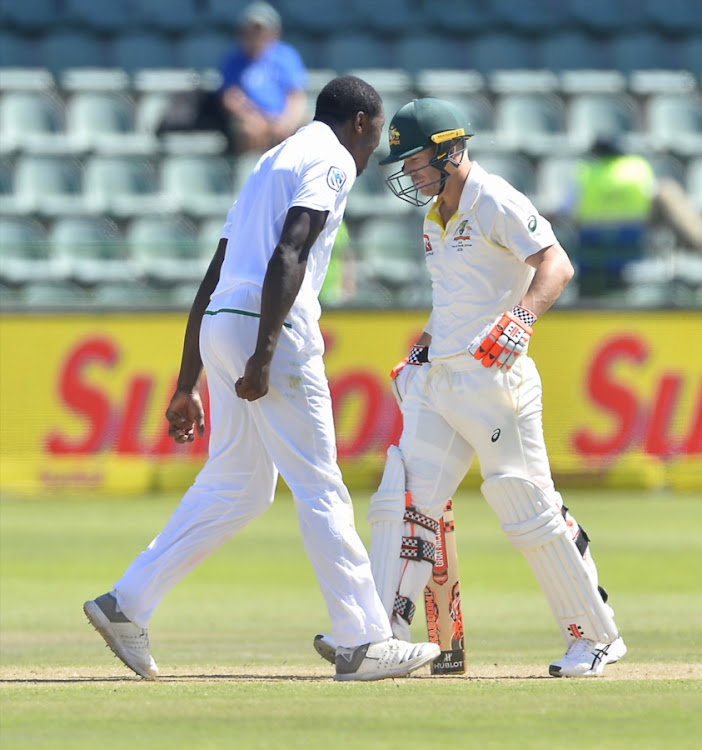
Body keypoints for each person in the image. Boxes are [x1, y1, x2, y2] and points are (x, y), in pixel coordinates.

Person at [83, 77, 439, 683]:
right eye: (375, 134)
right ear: (358, 122)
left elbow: (216, 271)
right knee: (320, 482)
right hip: (267, 326)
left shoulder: (272, 160)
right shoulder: (330, 159)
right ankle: (362, 640)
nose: (373, 148)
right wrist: (265, 353)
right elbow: (291, 252)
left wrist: (187, 380)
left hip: (224, 318)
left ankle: (128, 603)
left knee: (240, 484)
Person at [315, 98, 627, 678]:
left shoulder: (495, 199)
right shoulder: (434, 215)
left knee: (523, 502)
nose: (409, 173)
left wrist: (523, 317)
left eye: (415, 161)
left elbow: (556, 265)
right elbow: (450, 303)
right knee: (406, 499)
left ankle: (594, 637)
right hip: (442, 380)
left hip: (495, 378)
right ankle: (379, 637)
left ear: (449, 150)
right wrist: (419, 352)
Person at [559, 134, 702, 296]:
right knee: (667, 191)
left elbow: (567, 212)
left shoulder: (582, 173)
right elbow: (651, 197)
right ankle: (697, 242)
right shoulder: (637, 169)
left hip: (592, 244)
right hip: (635, 240)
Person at [216, 1, 309, 154]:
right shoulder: (233, 61)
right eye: (251, 31)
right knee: (250, 129)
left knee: (313, 127)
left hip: (283, 117)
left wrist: (286, 121)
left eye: (261, 31)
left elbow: (296, 95)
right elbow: (230, 98)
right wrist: (257, 118)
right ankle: (254, 173)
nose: (256, 36)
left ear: (274, 33)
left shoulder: (286, 56)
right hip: (253, 118)